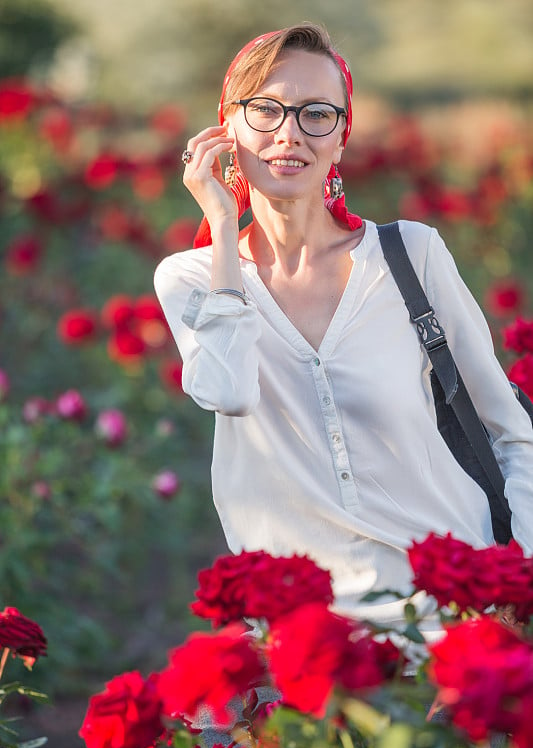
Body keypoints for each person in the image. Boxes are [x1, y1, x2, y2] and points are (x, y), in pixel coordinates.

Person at [155, 23, 533, 641]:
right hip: (302, 640)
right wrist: (222, 226)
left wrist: (515, 578)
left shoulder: (410, 256)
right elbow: (227, 391)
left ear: (341, 137)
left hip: (446, 619)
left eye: (316, 114)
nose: (290, 133)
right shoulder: (192, 277)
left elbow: (511, 430)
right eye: (266, 109)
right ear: (226, 127)